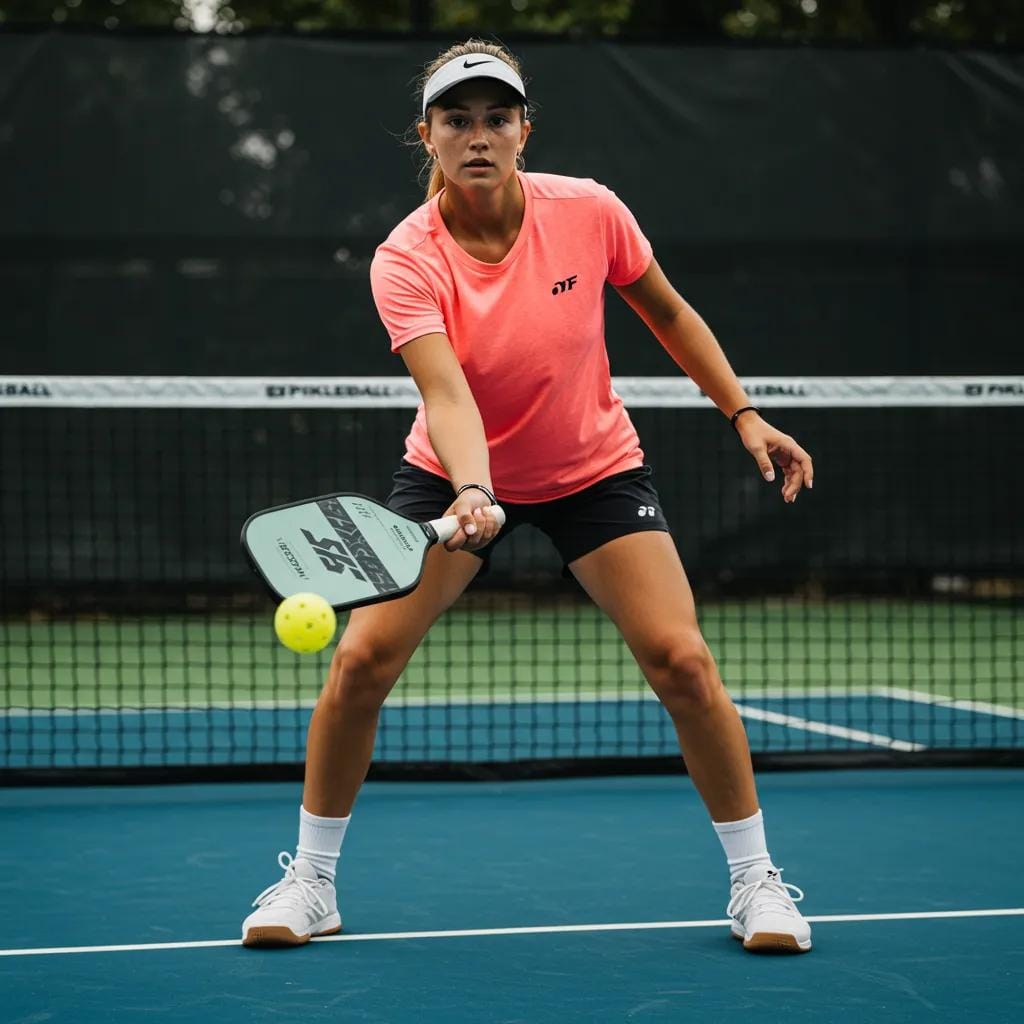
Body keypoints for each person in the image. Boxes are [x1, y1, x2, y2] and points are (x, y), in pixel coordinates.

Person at [242, 39, 815, 955]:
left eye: (496, 118)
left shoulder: (590, 211)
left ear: (524, 131)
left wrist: (743, 414)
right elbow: (447, 394)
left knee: (682, 661)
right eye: (456, 119)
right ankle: (310, 880)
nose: (478, 136)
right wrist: (473, 487)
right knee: (361, 664)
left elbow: (667, 311)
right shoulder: (406, 257)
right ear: (426, 136)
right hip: (451, 474)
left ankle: (757, 883)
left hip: (594, 469)